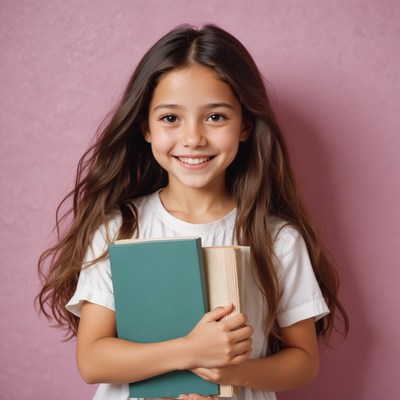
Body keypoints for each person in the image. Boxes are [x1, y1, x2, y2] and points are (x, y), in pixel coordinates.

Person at [37, 24, 349, 400]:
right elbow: (93, 360)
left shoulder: (278, 238)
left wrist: (231, 372)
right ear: (146, 128)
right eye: (171, 118)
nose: (193, 138)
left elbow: (303, 361)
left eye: (215, 117)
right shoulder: (119, 228)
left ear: (245, 126)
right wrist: (191, 350)